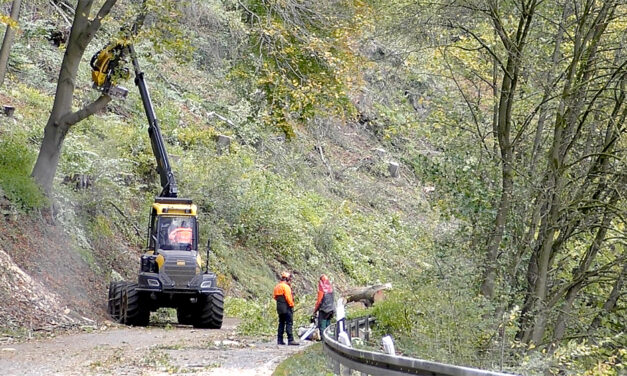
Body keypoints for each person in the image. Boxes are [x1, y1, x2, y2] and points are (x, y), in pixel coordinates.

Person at [273, 271, 299, 346]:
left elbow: (274, 297)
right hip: (287, 307)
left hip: (279, 307)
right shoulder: (286, 287)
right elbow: (288, 297)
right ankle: (290, 340)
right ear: (287, 278)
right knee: (289, 323)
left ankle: (280, 340)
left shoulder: (277, 286)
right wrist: (291, 305)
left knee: (281, 323)